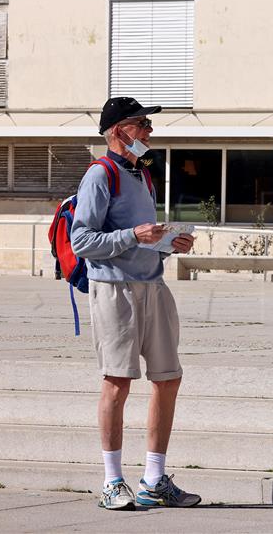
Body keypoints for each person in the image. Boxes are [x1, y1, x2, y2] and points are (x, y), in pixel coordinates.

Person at [71, 97, 201, 510]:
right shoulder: (99, 175)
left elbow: (143, 237)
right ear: (116, 131)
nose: (148, 131)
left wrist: (167, 246)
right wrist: (134, 237)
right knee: (117, 382)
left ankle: (154, 479)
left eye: (148, 124)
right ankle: (111, 482)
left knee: (168, 378)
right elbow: (82, 241)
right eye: (140, 123)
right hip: (114, 290)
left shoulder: (142, 175)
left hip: (153, 285)